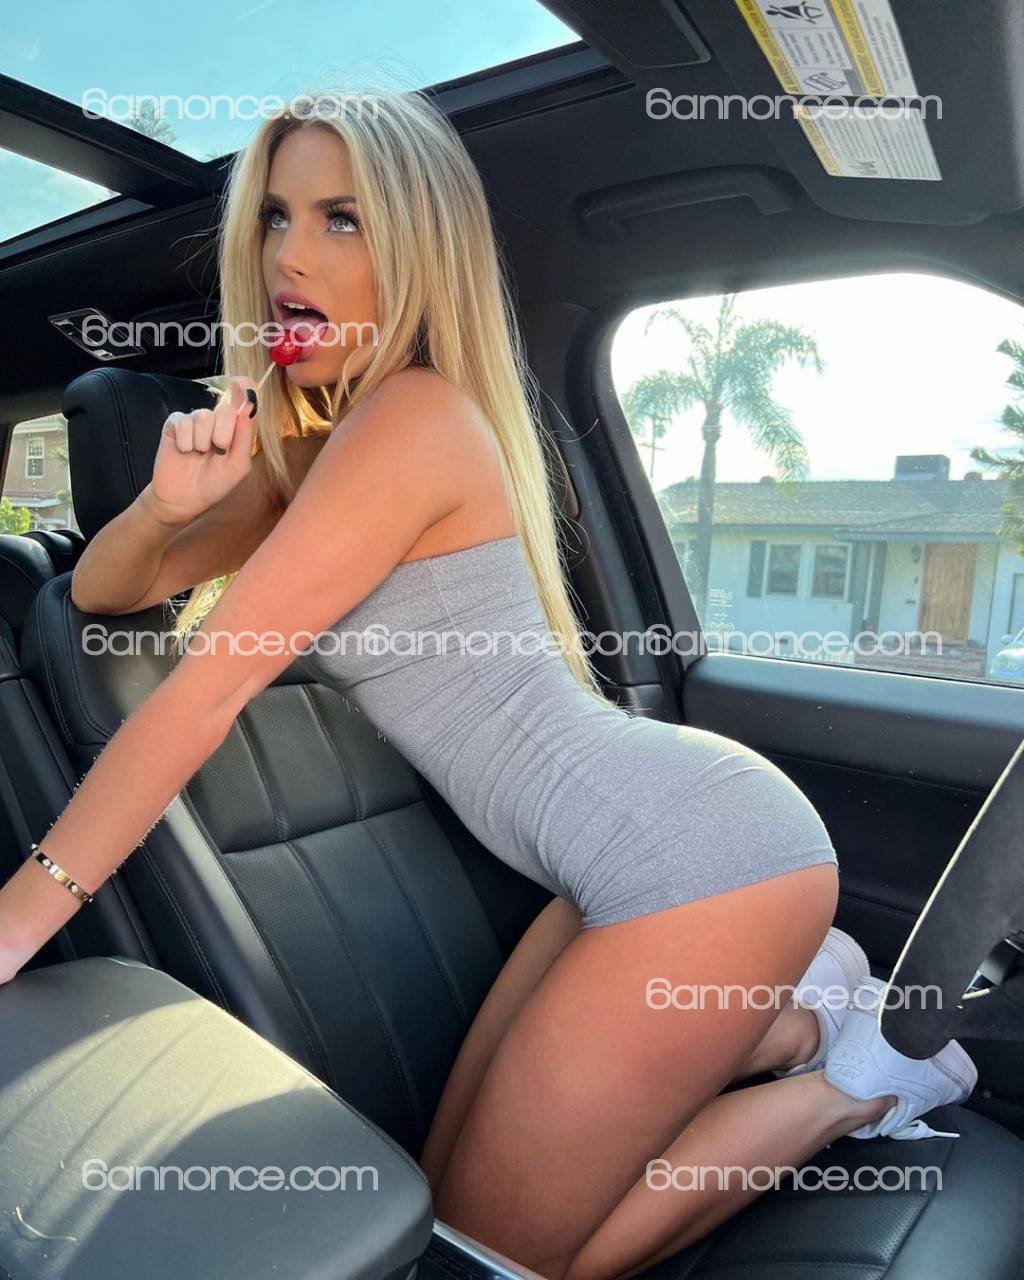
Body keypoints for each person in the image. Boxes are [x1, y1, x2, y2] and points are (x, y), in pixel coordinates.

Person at [0, 90, 975, 1280]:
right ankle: (802, 1015)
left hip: (700, 854)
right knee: (448, 1200)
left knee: (499, 1254)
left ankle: (864, 1078)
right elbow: (102, 595)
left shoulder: (412, 419)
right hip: (625, 851)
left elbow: (204, 691)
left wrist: (18, 916)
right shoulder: (311, 456)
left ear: (420, 246)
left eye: (344, 219)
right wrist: (163, 509)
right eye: (273, 218)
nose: (291, 255)